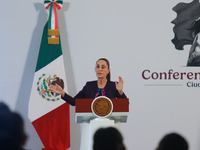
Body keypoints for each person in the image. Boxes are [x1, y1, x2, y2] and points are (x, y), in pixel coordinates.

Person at [49, 58, 127, 106]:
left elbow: (125, 105)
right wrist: (62, 93)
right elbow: (74, 102)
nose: (100, 69)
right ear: (95, 69)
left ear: (108, 70)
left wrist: (120, 91)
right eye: (98, 67)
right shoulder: (89, 86)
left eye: (103, 67)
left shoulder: (113, 86)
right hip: (91, 123)